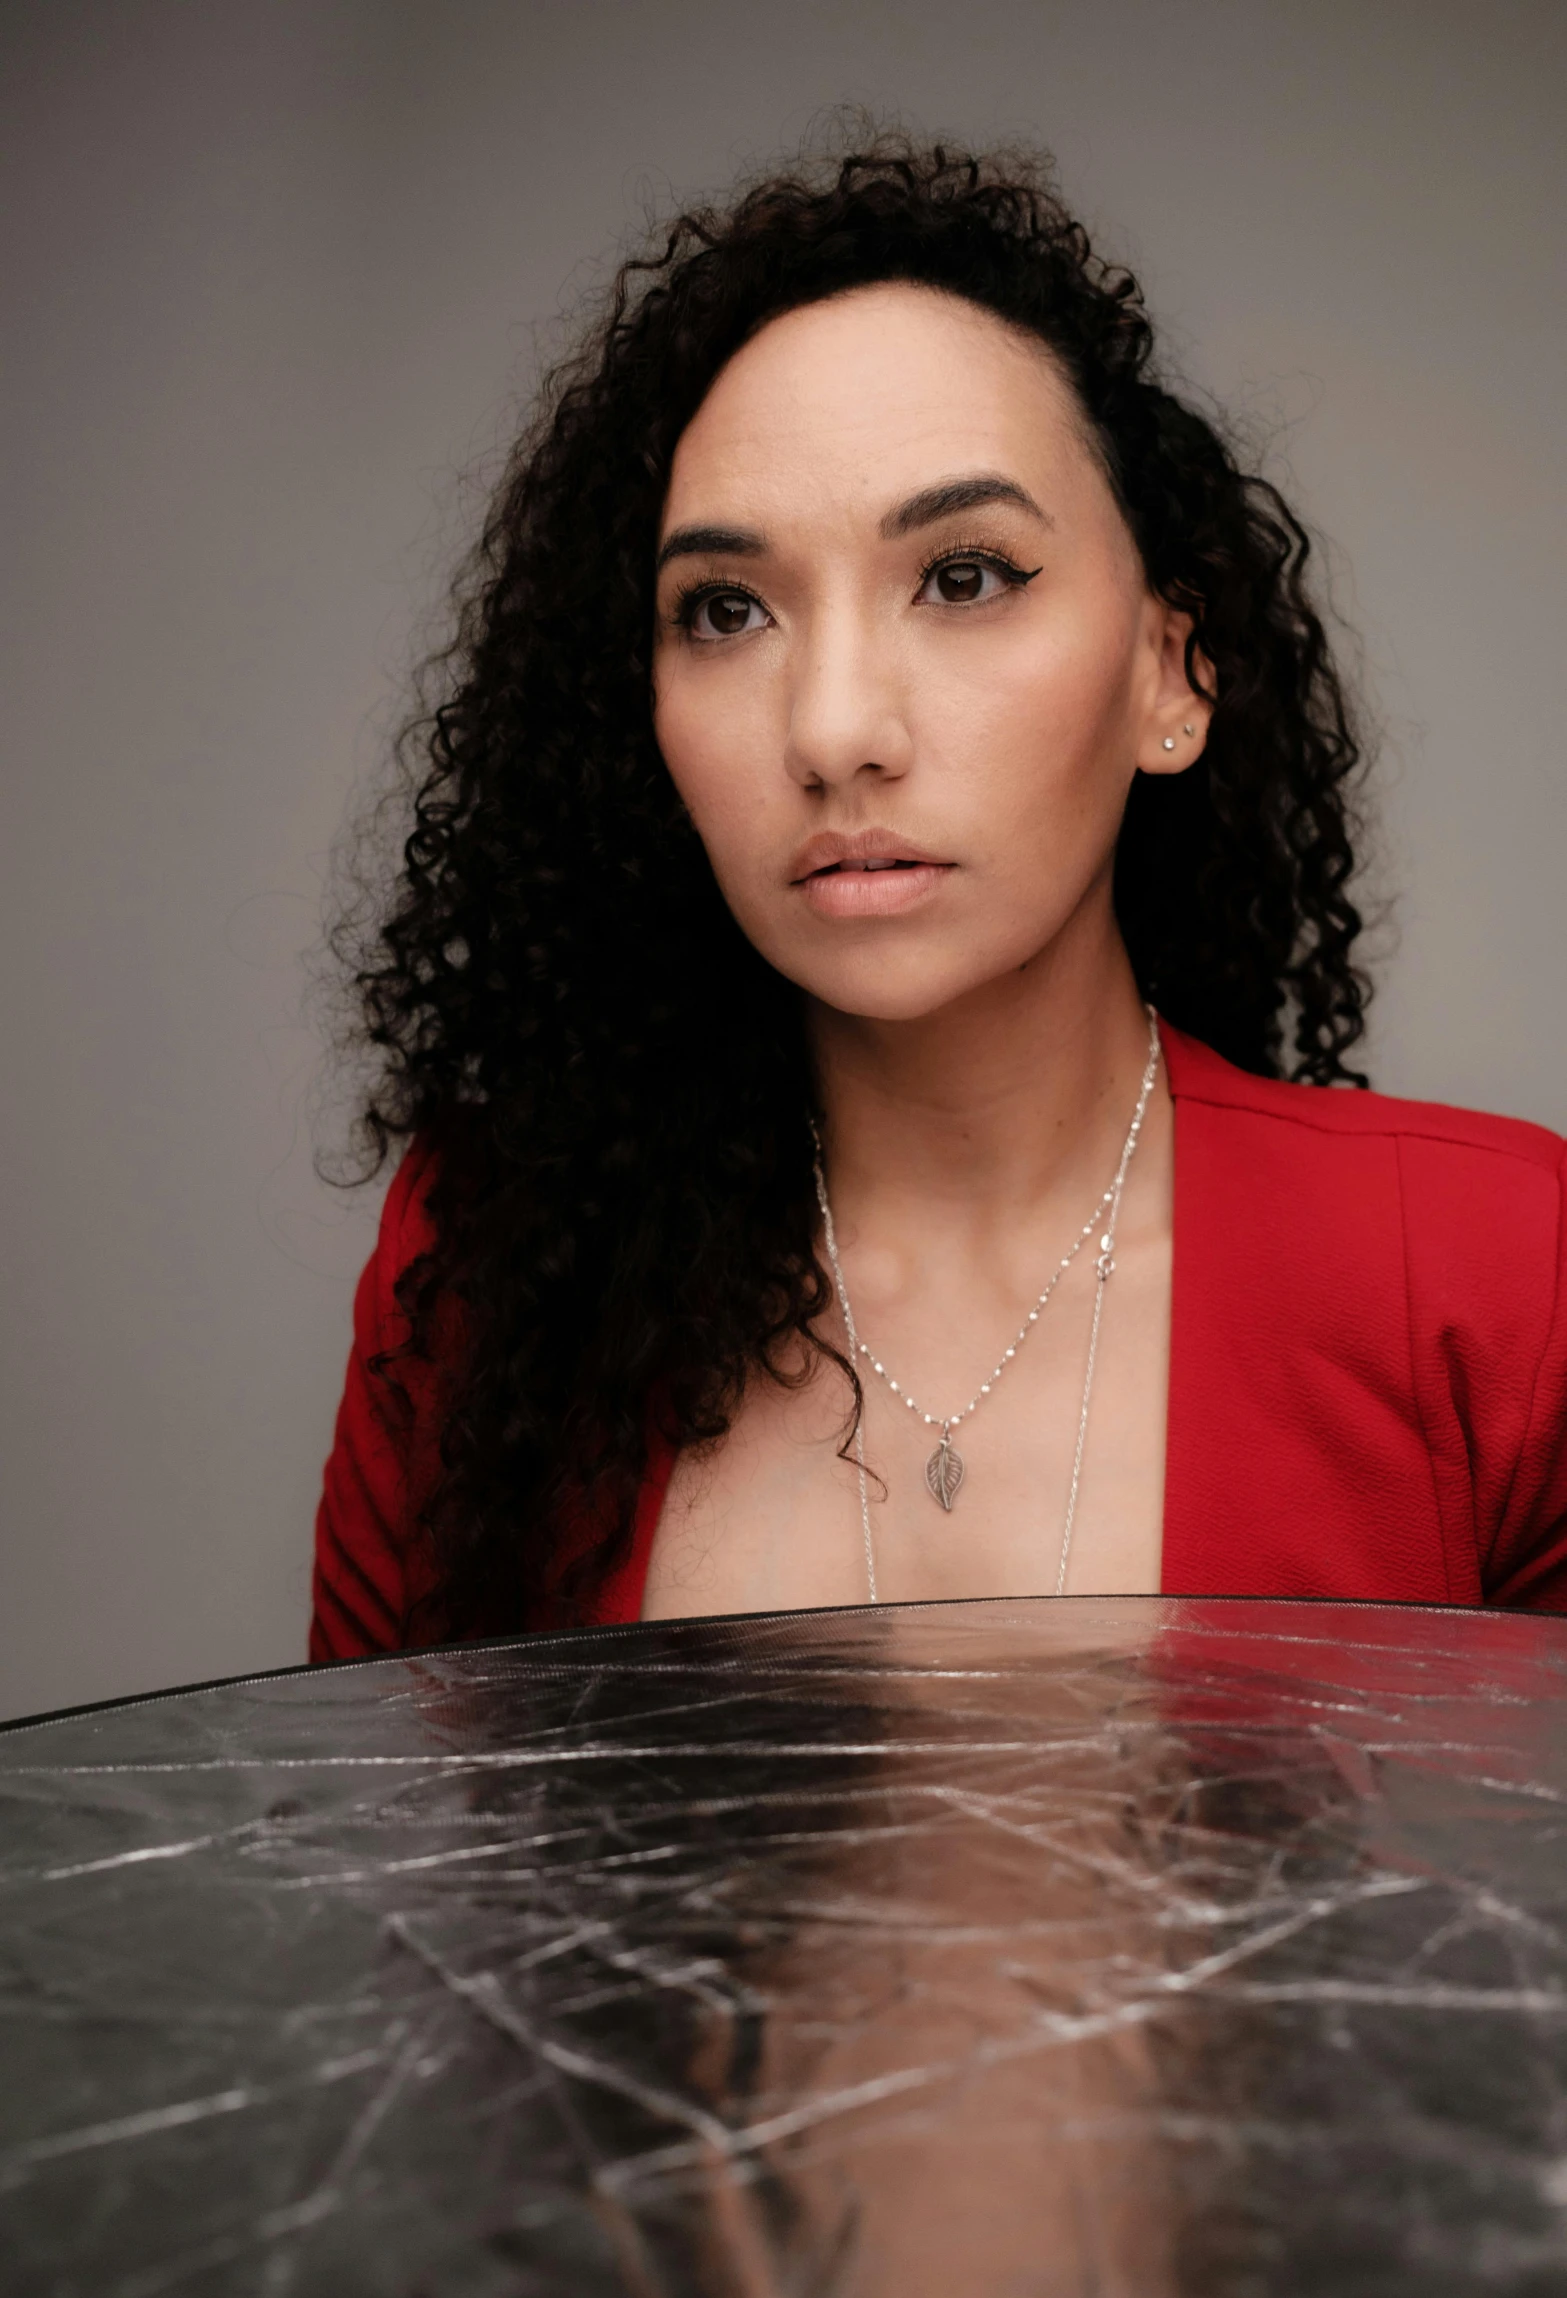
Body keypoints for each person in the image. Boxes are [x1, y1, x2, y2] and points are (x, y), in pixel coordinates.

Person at [311, 138, 1567, 1662]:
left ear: (1172, 674)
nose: (833, 729)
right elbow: (391, 1885)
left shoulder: (1505, 1282)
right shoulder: (488, 1280)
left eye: (964, 576)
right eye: (726, 609)